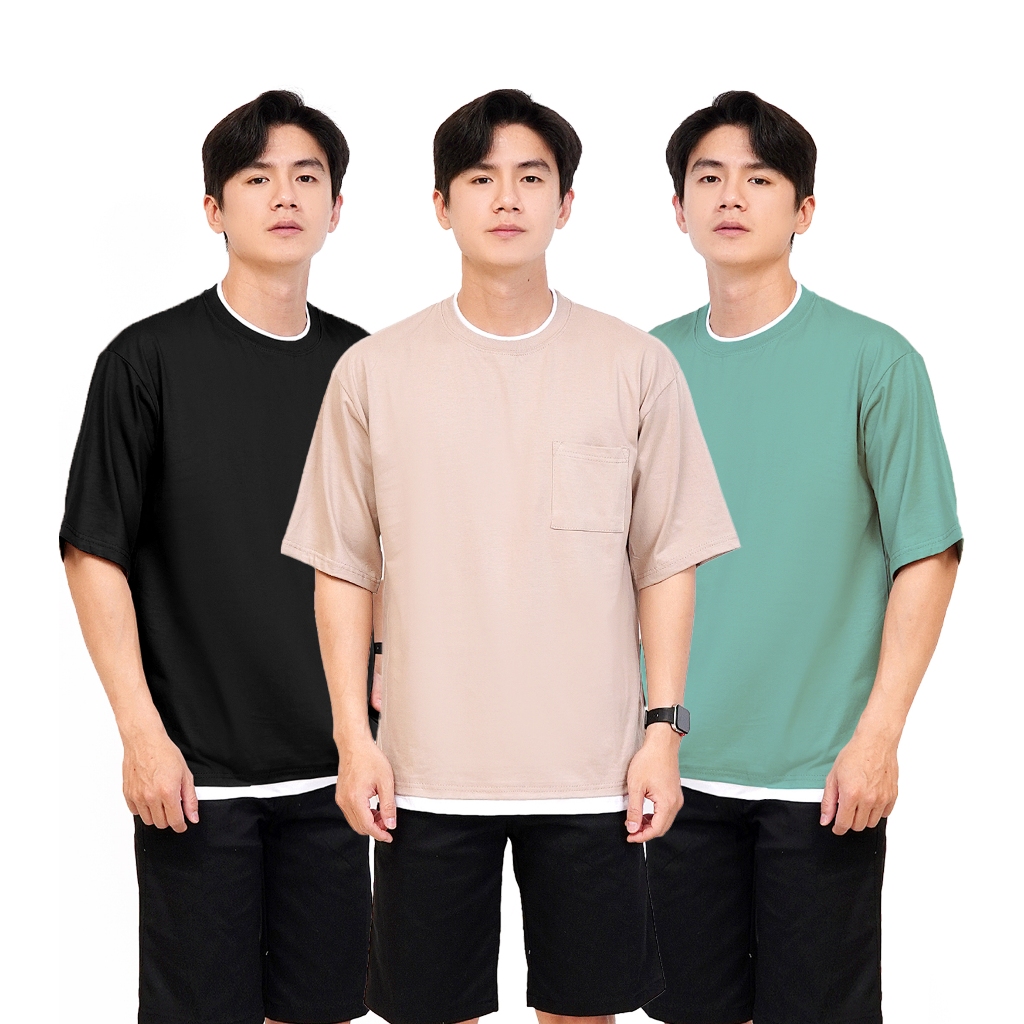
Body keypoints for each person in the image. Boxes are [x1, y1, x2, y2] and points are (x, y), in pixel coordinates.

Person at [282, 88, 740, 1024]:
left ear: (565, 204)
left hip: (593, 772)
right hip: (424, 771)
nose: (506, 198)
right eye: (480, 178)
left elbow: (667, 562)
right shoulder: (373, 372)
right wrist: (353, 740)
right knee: (429, 1009)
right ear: (441, 205)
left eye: (531, 178)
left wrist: (662, 732)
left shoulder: (634, 366)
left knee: (584, 1010)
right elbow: (343, 570)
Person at [642, 90, 961, 1024]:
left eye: (760, 178)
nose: (731, 196)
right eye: (709, 178)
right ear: (678, 209)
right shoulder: (647, 366)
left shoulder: (876, 361)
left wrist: (879, 737)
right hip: (676, 771)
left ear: (804, 210)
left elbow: (927, 554)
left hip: (820, 780)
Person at [61, 90, 373, 1024]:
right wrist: (140, 734)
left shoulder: (363, 367)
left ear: (336, 207)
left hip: (333, 774)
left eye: (307, 177)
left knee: (325, 1009)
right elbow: (94, 551)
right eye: (257, 178)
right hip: (198, 779)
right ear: (214, 209)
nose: (285, 196)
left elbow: (392, 556)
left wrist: (378, 712)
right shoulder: (145, 361)